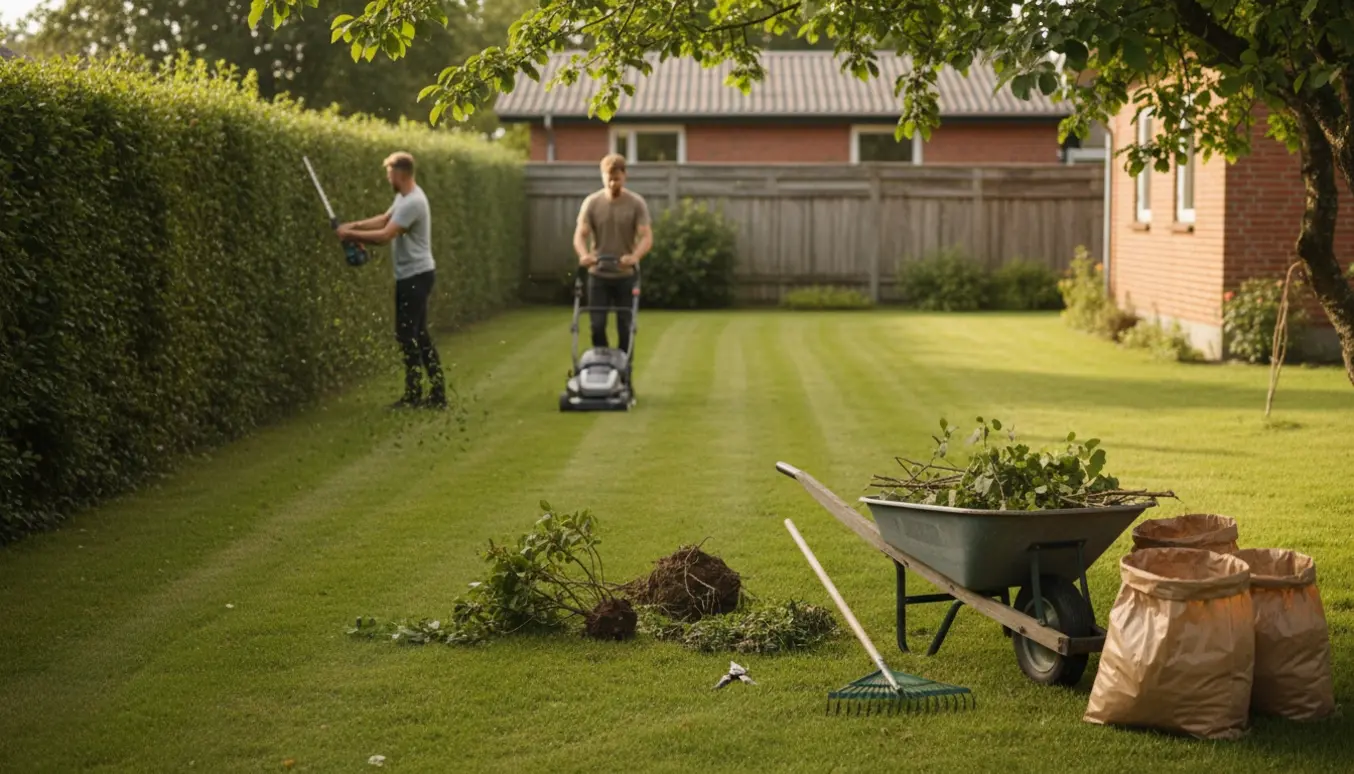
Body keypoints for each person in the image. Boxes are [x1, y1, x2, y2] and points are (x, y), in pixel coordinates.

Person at [337, 151, 447, 410]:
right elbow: (385, 219)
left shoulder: (413, 203)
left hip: (416, 276)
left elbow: (386, 235)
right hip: (412, 275)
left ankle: (415, 395)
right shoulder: (404, 197)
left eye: (389, 174)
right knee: (417, 335)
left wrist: (351, 235)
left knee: (408, 335)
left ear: (399, 174)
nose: (388, 178)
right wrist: (352, 226)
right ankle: (435, 395)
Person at [573, 153, 653, 354]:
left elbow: (646, 236)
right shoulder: (592, 202)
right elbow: (580, 235)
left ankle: (624, 372)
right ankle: (603, 366)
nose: (612, 183)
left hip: (625, 276)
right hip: (598, 275)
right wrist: (584, 255)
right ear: (602, 176)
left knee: (625, 328)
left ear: (624, 176)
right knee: (597, 325)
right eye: (608, 178)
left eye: (616, 178)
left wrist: (634, 257)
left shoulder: (636, 203)